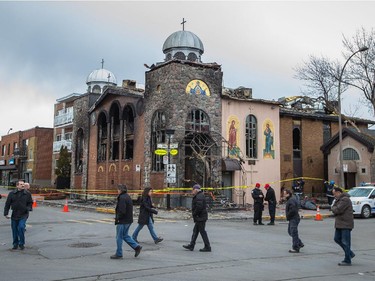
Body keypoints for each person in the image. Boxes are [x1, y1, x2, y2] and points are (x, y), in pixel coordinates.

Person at [111, 184, 142, 259]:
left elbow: (122, 210)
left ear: (120, 190)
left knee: (119, 237)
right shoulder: (127, 196)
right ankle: (137, 247)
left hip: (123, 220)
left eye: (118, 189)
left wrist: (118, 218)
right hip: (128, 220)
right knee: (125, 235)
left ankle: (119, 253)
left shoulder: (122, 198)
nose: (117, 191)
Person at [3, 180, 33, 250]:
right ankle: (15, 244)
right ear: (17, 186)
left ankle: (21, 243)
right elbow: (7, 204)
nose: (23, 185)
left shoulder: (27, 193)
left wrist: (27, 208)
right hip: (14, 214)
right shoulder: (11, 194)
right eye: (21, 184)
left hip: (23, 214)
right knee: (14, 229)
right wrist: (6, 213)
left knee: (21, 227)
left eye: (23, 184)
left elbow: (30, 203)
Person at [183, 184, 211, 252]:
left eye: (193, 190)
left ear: (196, 190)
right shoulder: (199, 195)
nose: (192, 191)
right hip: (200, 217)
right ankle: (192, 245)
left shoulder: (199, 196)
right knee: (195, 231)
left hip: (200, 217)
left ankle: (207, 247)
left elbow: (199, 207)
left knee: (202, 232)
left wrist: (194, 214)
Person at [331, 187, 355, 266]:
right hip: (340, 224)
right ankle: (350, 253)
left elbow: (337, 210)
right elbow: (334, 208)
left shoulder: (345, 199)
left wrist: (333, 208)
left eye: (334, 194)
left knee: (345, 242)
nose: (334, 196)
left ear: (338, 192)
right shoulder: (339, 200)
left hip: (345, 224)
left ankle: (347, 260)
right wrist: (334, 207)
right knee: (337, 239)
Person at [284, 189, 304, 253]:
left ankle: (296, 247)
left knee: (293, 232)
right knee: (290, 231)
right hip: (292, 218)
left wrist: (288, 215)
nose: (284, 195)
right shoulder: (290, 199)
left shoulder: (291, 200)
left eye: (285, 194)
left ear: (288, 194)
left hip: (293, 218)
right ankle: (299, 243)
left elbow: (293, 210)